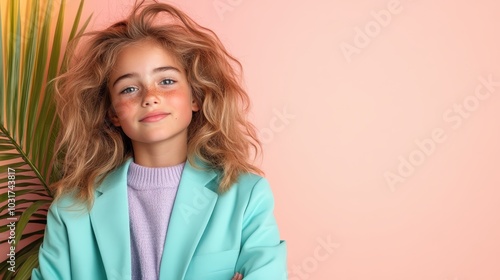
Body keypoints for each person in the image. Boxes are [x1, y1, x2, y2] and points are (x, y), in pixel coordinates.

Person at [31, 1, 287, 279]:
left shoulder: (246, 196)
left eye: (166, 81)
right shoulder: (72, 209)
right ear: (112, 112)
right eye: (129, 88)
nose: (150, 96)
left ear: (196, 97)